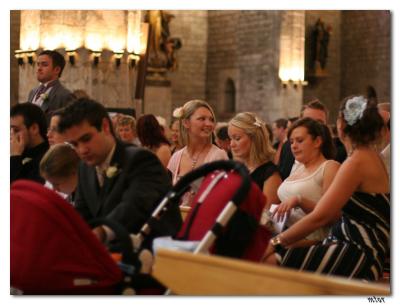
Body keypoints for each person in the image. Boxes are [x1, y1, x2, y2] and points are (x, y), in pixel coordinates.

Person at [263, 95, 389, 281]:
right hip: (352, 245)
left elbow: (321, 216)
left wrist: (275, 243)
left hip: (359, 251)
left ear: (341, 124)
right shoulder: (366, 156)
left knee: (268, 260)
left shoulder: (357, 161)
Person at [58, 98, 182, 243]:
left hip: (156, 254)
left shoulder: (141, 159)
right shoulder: (85, 168)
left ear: (105, 126)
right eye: (74, 144)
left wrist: (101, 232)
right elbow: (81, 214)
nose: (82, 150)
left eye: (86, 139)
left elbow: (134, 206)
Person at [272, 118, 340, 244]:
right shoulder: (298, 168)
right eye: (291, 142)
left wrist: (300, 200)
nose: (293, 146)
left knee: (263, 254)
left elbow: (332, 216)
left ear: (317, 141)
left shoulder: (329, 167)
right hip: (284, 232)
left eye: (300, 140)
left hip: (314, 239)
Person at [167, 100, 228, 205]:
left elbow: (223, 197)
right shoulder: (176, 157)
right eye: (202, 119)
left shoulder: (218, 156)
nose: (208, 124)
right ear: (186, 123)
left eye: (211, 119)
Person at [228, 112, 281, 208]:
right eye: (230, 139)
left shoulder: (270, 174)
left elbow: (267, 217)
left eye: (237, 138)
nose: (231, 144)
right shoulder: (237, 169)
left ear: (254, 139)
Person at [27, 50, 74, 120]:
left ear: (57, 70)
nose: (39, 68)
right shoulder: (32, 92)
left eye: (44, 65)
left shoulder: (65, 95)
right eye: (38, 64)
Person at [11, 103, 49, 184]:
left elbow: (19, 190)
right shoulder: (20, 150)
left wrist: (15, 157)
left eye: (16, 130)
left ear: (34, 128)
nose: (11, 135)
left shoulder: (47, 158)